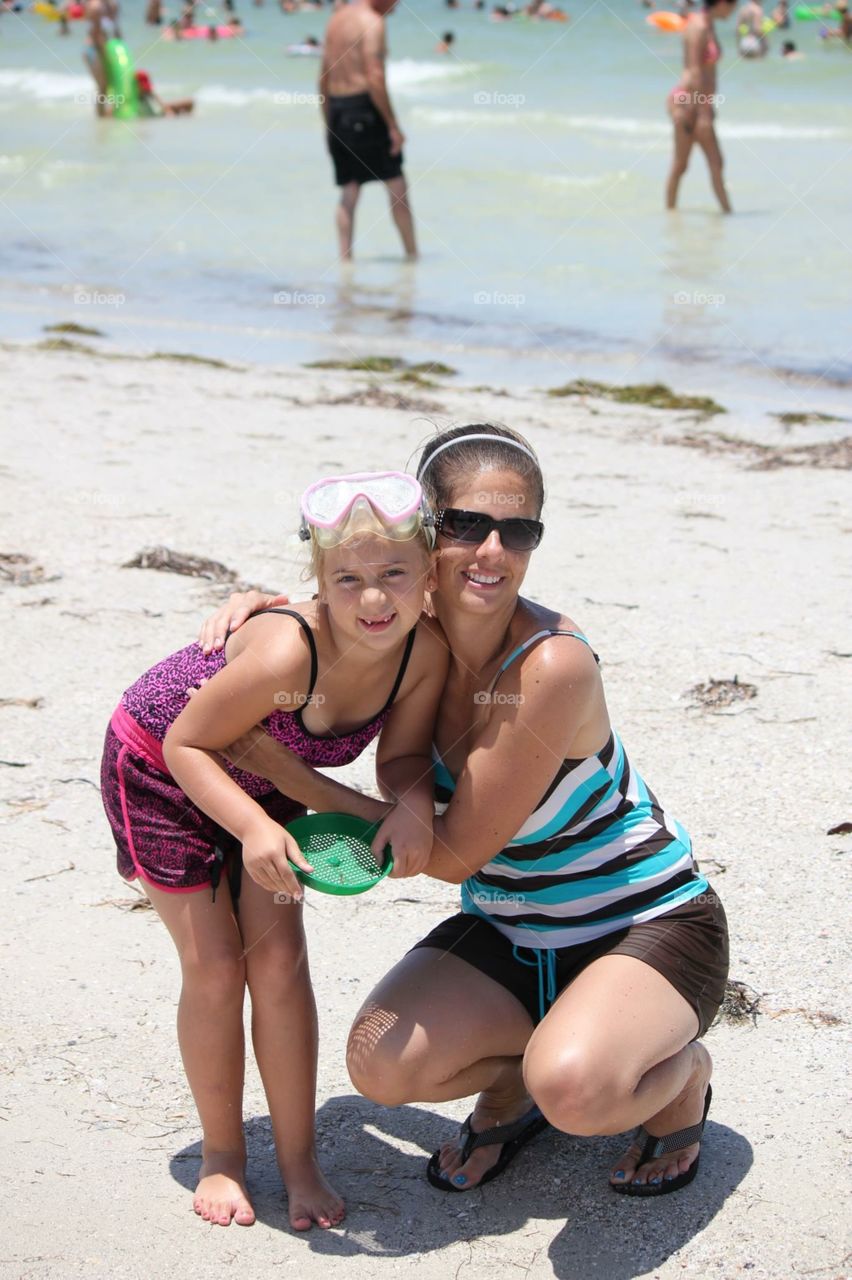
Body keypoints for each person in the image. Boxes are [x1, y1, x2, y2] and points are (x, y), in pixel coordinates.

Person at [201, 424, 729, 1200]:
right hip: (514, 923)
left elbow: (453, 858)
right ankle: (520, 1081)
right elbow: (347, 631)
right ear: (427, 532)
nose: (491, 550)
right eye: (466, 525)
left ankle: (682, 1077)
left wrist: (294, 780)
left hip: (644, 923)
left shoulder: (552, 664)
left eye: (517, 530)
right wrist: (265, 609)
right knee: (380, 1065)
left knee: (579, 1093)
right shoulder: (412, 626)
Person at [100, 472, 448, 1230]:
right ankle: (223, 1154)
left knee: (282, 966)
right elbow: (186, 740)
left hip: (270, 779)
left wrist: (411, 804)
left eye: (394, 574)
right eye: (347, 580)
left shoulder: (422, 654)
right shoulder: (288, 652)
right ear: (318, 584)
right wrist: (254, 830)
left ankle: (298, 1159)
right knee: (218, 967)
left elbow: (405, 757)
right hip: (161, 768)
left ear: (430, 574)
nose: (373, 599)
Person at [319, 0, 417, 261]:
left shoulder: (336, 19)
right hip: (364, 107)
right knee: (396, 185)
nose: (397, 7)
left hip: (338, 109)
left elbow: (323, 75)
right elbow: (374, 75)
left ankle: (344, 263)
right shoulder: (373, 21)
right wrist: (393, 126)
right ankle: (412, 257)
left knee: (349, 190)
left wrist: (327, 121)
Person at [666, 0, 734, 213]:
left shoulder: (708, 25)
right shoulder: (699, 27)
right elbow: (695, 72)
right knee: (683, 164)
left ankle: (672, 214)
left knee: (707, 163)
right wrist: (702, 111)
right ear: (722, 3)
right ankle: (671, 215)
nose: (734, 10)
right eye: (733, 4)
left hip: (698, 101)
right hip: (689, 102)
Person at [82, 0, 121, 117]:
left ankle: (107, 115)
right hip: (95, 49)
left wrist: (121, 49)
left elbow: (116, 29)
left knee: (113, 84)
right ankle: (101, 118)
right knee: (103, 86)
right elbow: (95, 33)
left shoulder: (112, 5)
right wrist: (105, 54)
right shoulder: (95, 6)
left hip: (108, 48)